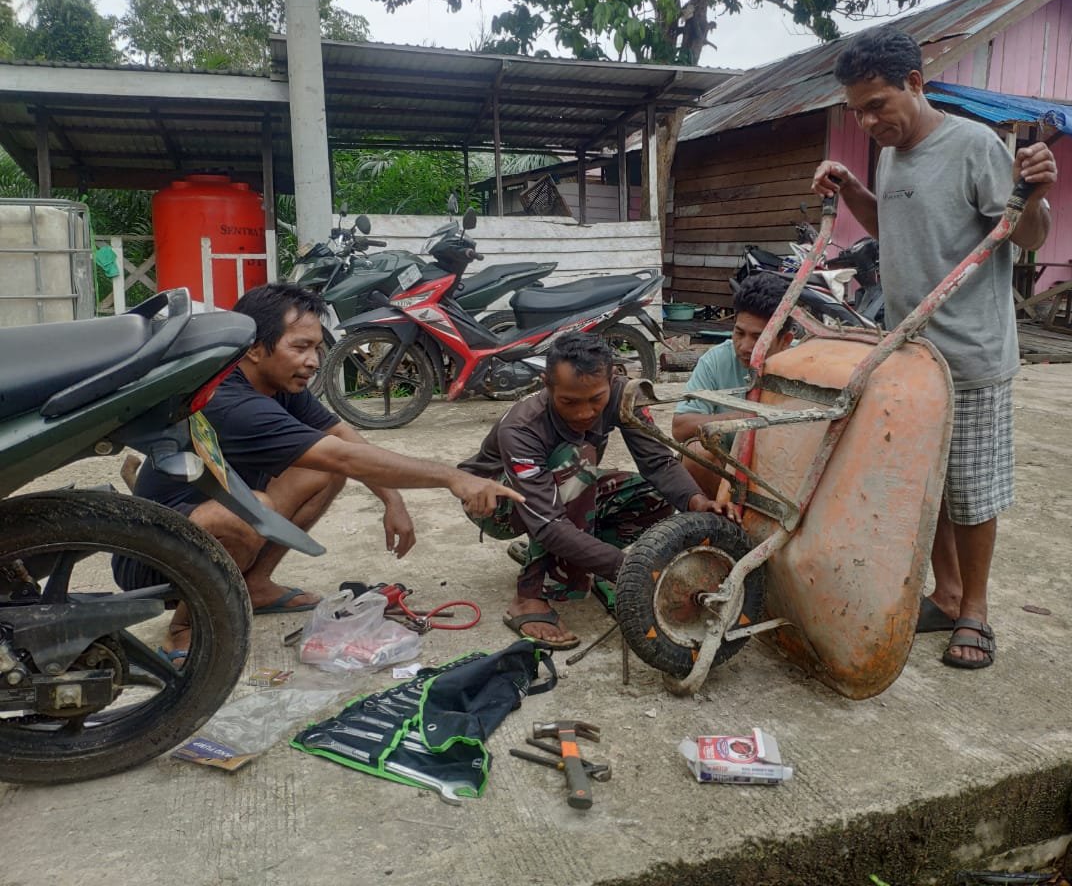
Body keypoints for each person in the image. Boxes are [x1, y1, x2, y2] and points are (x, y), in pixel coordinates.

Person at [811, 27, 1057, 671]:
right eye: (857, 111)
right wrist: (851, 188)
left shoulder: (973, 145)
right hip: (910, 355)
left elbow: (1026, 235)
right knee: (930, 486)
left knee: (971, 492)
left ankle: (975, 609)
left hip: (970, 355)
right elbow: (892, 228)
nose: (868, 122)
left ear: (915, 84)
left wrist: (1037, 191)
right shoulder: (891, 154)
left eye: (876, 105)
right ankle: (945, 595)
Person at [117, 282, 522, 664]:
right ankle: (186, 626)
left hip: (199, 530)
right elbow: (345, 457)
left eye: (316, 348)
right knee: (250, 511)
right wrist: (453, 477)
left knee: (319, 475)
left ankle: (254, 585)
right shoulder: (232, 403)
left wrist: (392, 499)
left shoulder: (276, 386)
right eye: (300, 347)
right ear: (254, 348)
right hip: (153, 556)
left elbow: (344, 439)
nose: (313, 361)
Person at [459, 331, 737, 650]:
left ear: (612, 378)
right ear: (546, 384)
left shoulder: (622, 395)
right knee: (577, 462)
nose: (584, 413)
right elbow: (548, 524)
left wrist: (697, 501)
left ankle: (576, 559)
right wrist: (628, 568)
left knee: (655, 495)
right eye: (569, 402)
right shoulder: (522, 428)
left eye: (596, 399)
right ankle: (528, 596)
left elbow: (658, 462)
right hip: (497, 504)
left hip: (558, 490)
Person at [671, 272, 795, 497]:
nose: (744, 346)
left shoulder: (805, 366)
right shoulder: (716, 360)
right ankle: (722, 516)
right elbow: (680, 428)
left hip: (787, 477)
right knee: (696, 452)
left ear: (785, 341)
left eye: (758, 338)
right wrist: (739, 418)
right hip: (728, 476)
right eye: (739, 333)